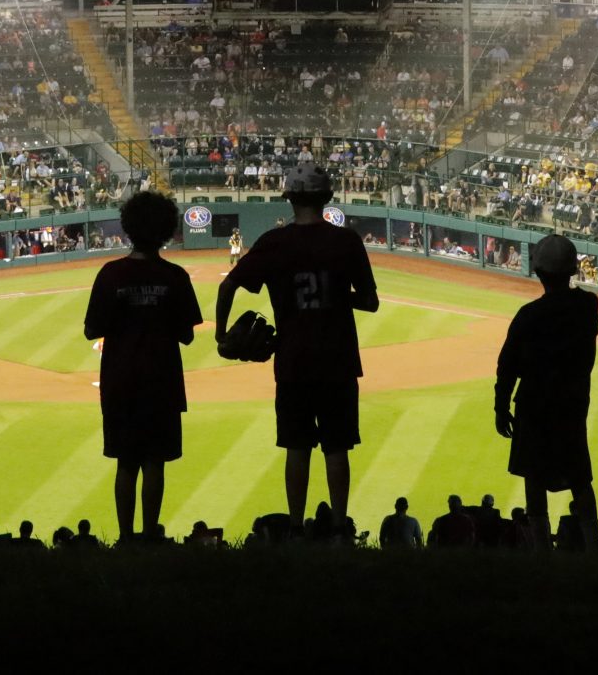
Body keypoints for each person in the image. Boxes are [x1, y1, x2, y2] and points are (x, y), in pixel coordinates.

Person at [216, 158, 379, 528]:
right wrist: (338, 295)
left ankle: (295, 528)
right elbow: (370, 301)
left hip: (293, 363)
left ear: (288, 197)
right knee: (337, 448)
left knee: (297, 448)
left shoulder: (274, 242)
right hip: (338, 361)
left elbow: (228, 285)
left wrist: (221, 335)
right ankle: (339, 527)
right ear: (327, 197)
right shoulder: (346, 240)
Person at [84, 190, 203, 540]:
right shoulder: (175, 276)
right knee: (155, 462)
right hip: (162, 382)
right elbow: (188, 335)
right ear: (166, 230)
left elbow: (92, 328)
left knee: (126, 462)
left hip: (120, 382)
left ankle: (125, 537)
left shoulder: (110, 274)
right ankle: (151, 535)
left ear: (128, 227)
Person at [495, 233, 598, 550]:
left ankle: (542, 552)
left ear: (538, 271)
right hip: (571, 404)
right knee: (580, 477)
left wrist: (501, 408)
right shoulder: (587, 306)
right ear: (572, 269)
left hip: (534, 406)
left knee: (534, 477)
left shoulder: (528, 315)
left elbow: (507, 365)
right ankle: (594, 547)